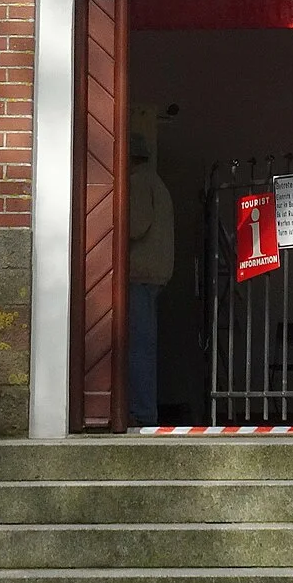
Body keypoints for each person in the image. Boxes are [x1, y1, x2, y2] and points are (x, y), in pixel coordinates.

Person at [126, 131, 174, 428]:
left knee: (137, 347)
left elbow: (135, 225)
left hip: (140, 273)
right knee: (144, 344)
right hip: (155, 272)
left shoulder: (138, 182)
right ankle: (143, 409)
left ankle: (141, 412)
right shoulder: (156, 181)